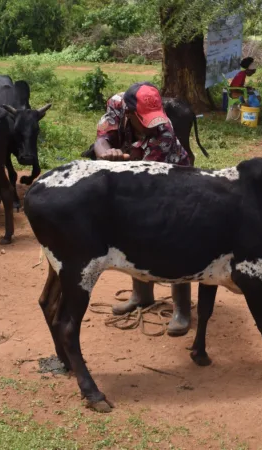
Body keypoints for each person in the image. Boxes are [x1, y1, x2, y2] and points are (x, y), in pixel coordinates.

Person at [92, 81, 193, 337]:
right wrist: (106, 154)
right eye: (143, 120)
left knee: (175, 238)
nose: (151, 124)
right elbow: (102, 138)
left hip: (169, 177)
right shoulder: (117, 104)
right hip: (130, 169)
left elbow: (146, 183)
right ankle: (142, 295)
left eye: (154, 118)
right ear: (129, 113)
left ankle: (181, 309)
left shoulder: (164, 132)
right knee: (134, 235)